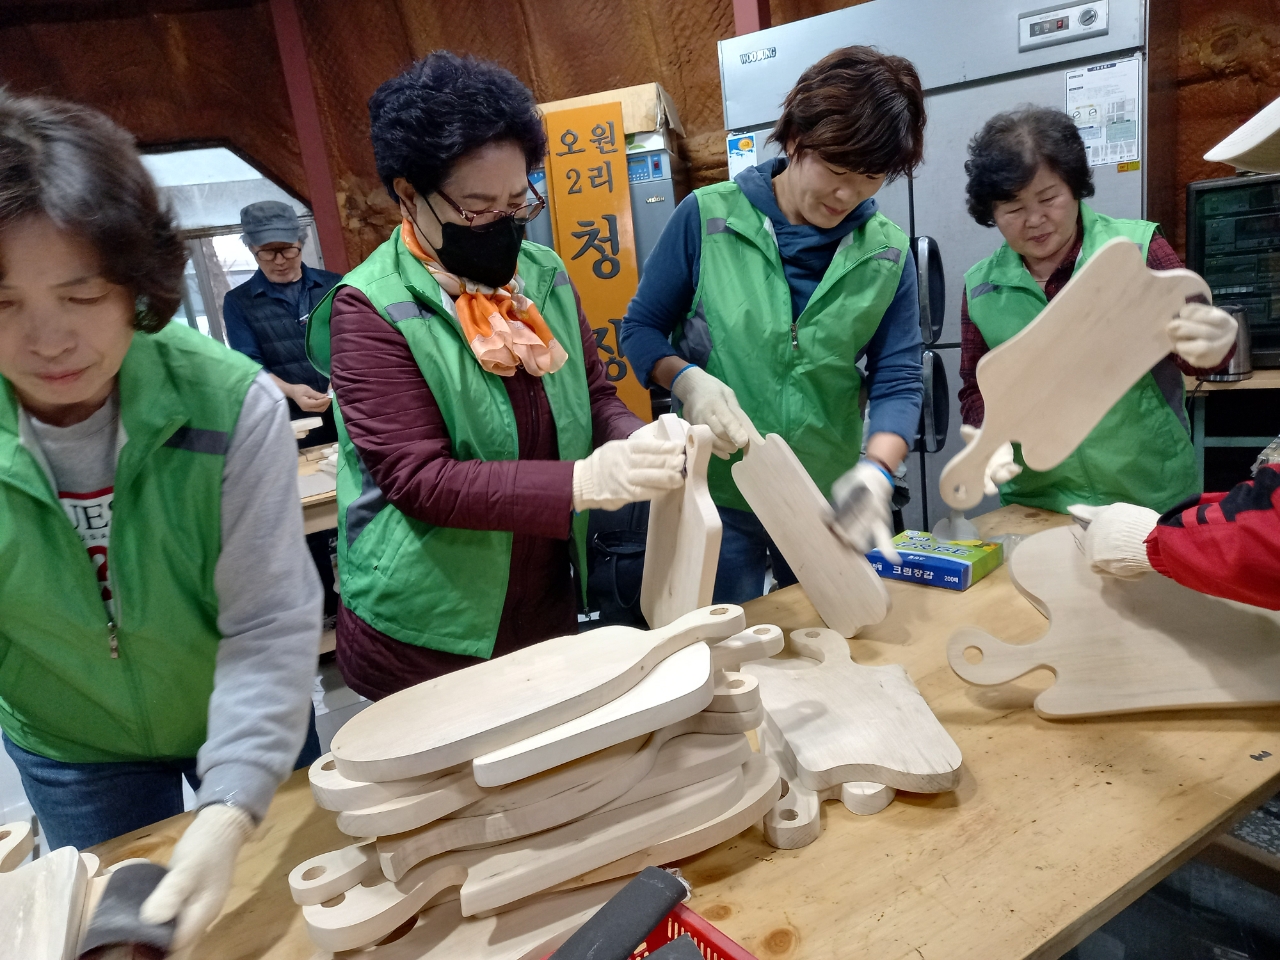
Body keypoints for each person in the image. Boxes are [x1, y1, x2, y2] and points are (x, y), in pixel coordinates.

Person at [0, 93, 321, 948]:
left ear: (136, 285)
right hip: (70, 743)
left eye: (81, 294)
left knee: (292, 921)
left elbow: (268, 621)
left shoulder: (227, 402)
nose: (48, 340)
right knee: (113, 938)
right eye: (2, 303)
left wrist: (230, 804)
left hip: (238, 708)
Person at [306, 52, 684, 701]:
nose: (503, 227)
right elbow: (418, 479)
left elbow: (593, 396)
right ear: (409, 195)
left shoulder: (542, 276)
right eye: (478, 209)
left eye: (517, 202)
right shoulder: (370, 309)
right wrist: (581, 482)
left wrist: (635, 439)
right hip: (426, 629)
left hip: (543, 602)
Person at [620, 45, 927, 601]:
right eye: (836, 169)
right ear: (795, 138)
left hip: (822, 499)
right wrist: (687, 381)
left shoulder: (887, 253)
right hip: (717, 495)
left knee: (834, 633)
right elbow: (640, 329)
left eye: (870, 177)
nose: (847, 194)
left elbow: (898, 377)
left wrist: (879, 470)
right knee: (724, 639)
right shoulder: (707, 217)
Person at [958, 106, 1239, 513]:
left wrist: (1216, 343)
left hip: (1149, 494)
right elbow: (976, 388)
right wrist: (988, 440)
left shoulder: (1136, 251)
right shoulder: (981, 287)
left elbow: (1200, 352)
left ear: (1074, 187)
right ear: (991, 211)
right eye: (1013, 208)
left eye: (1048, 198)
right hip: (1039, 502)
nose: (1034, 220)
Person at [222, 200, 341, 443]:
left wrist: (340, 376)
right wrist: (291, 391)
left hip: (348, 411)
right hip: (291, 423)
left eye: (287, 249)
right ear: (251, 248)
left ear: (300, 242)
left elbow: (356, 342)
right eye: (267, 251)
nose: (279, 261)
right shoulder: (239, 302)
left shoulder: (335, 285)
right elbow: (249, 366)